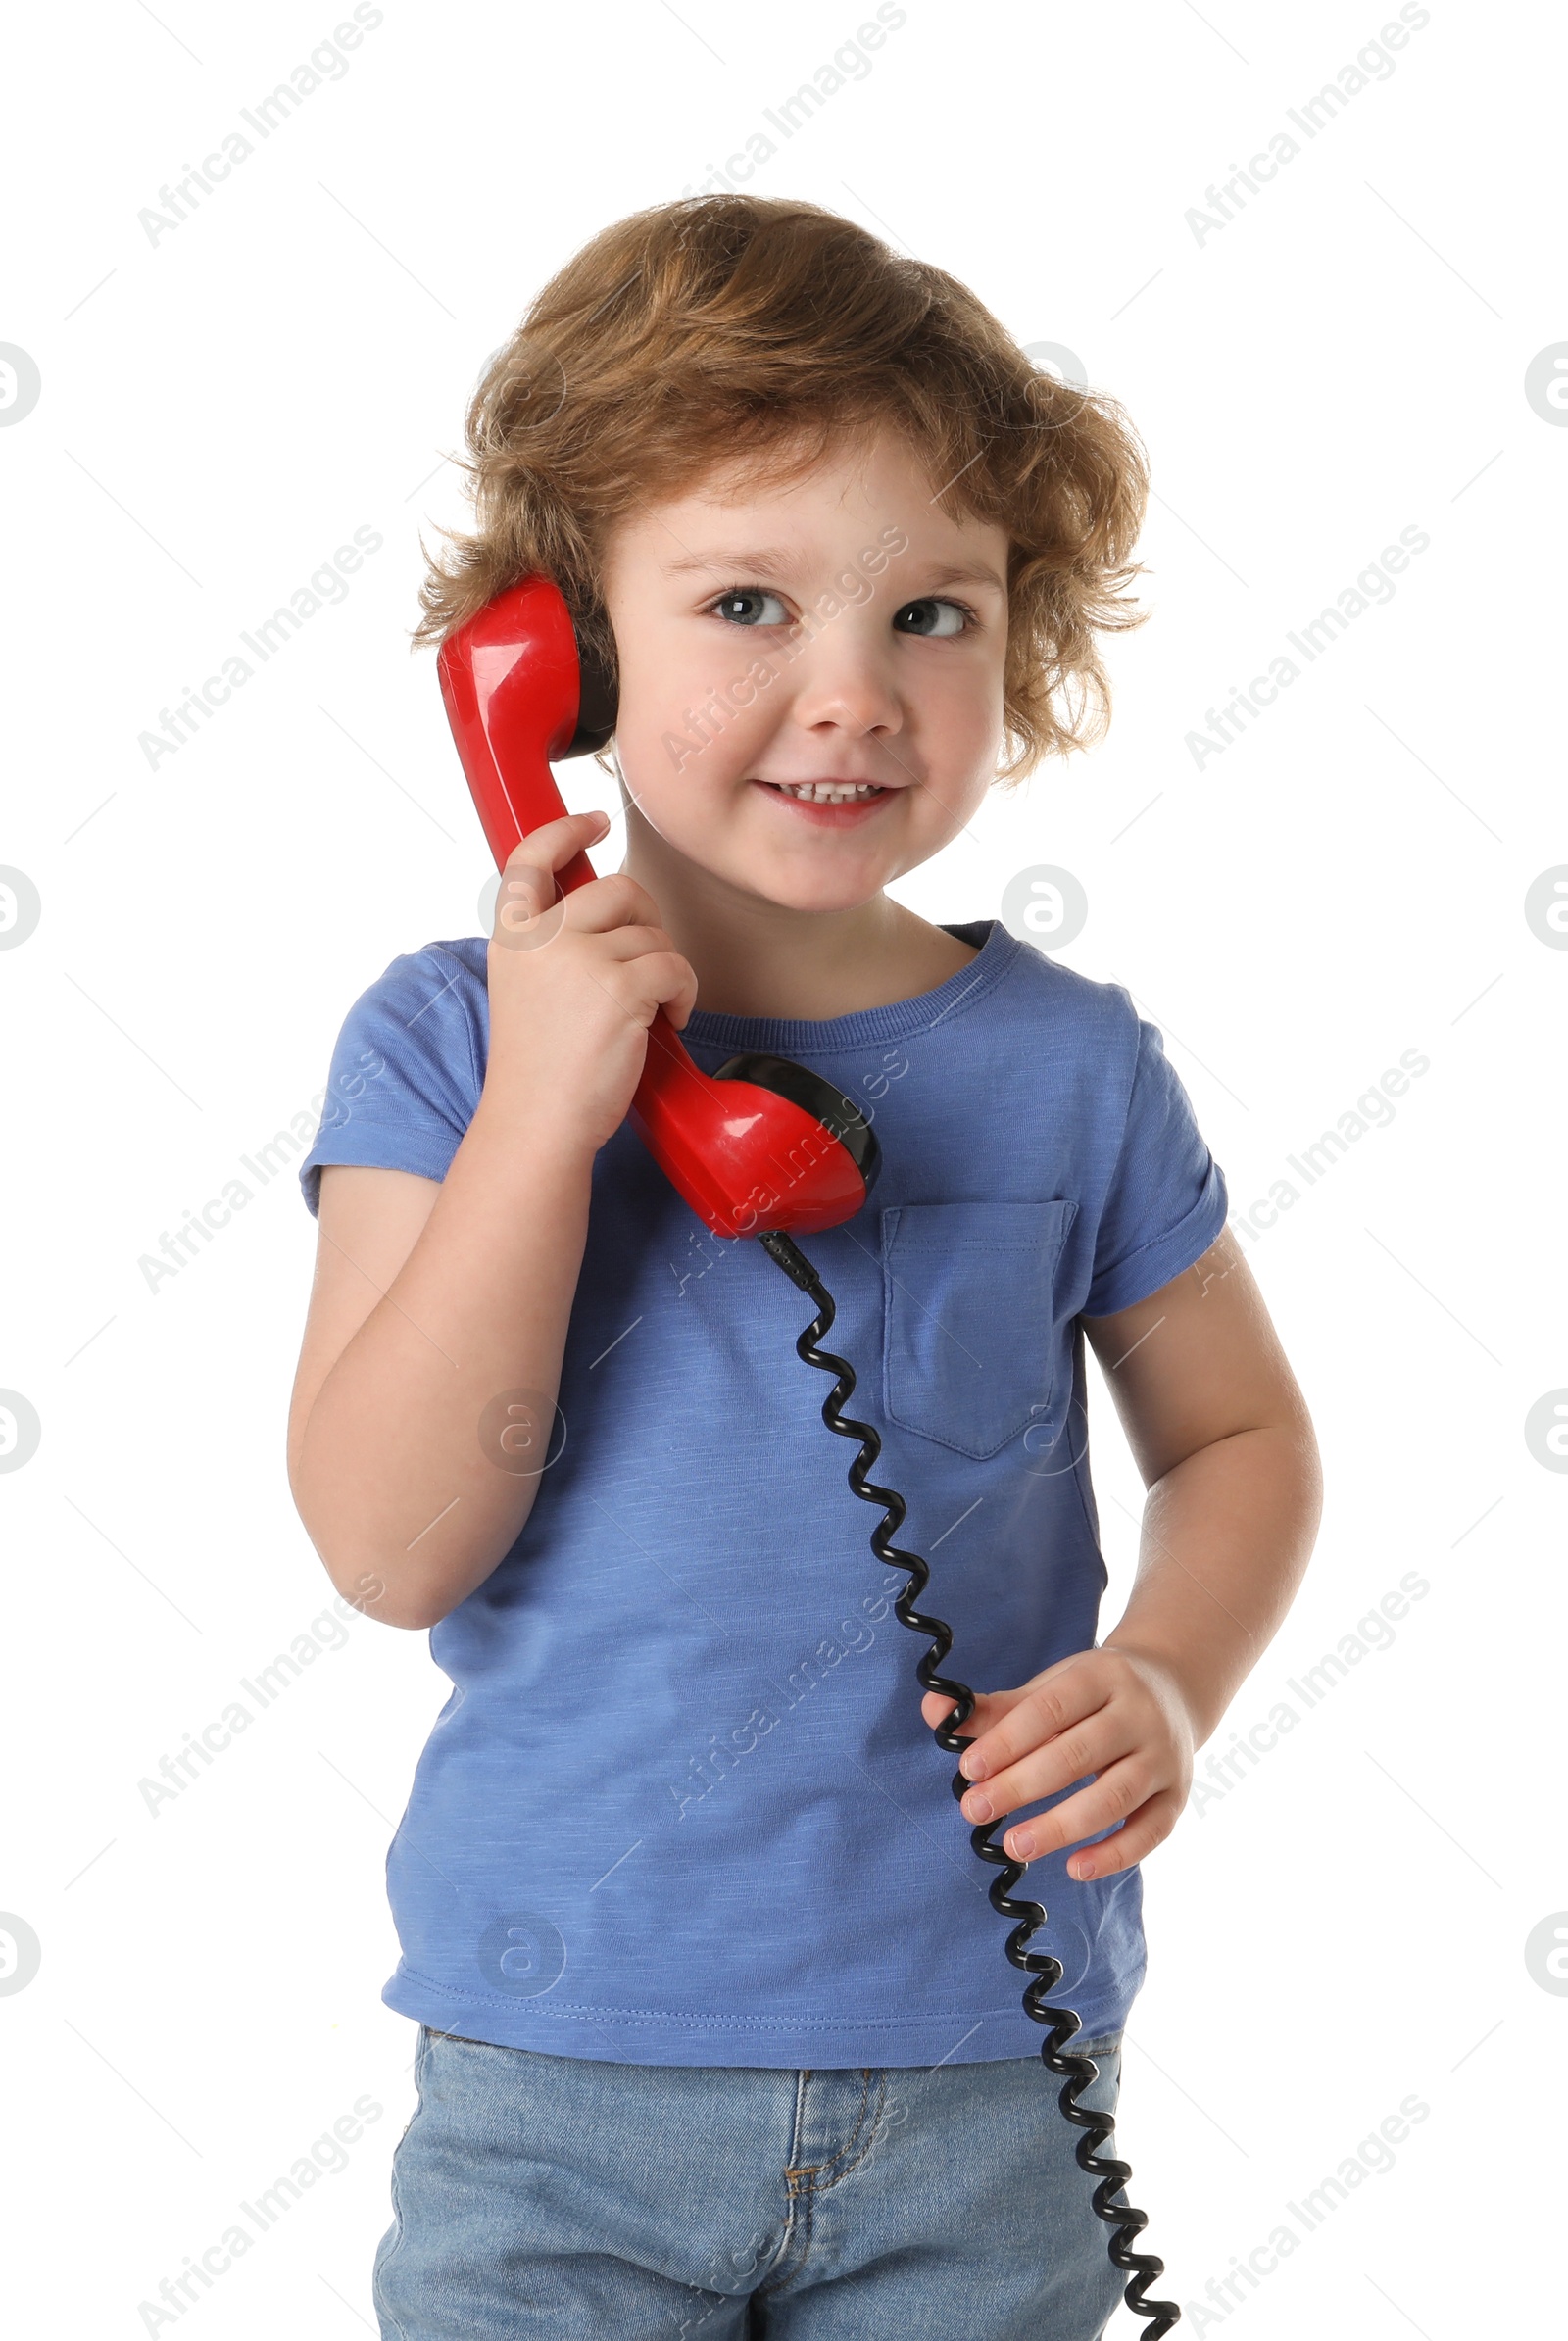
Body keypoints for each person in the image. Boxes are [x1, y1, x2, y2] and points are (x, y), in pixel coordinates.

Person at [287, 192, 1323, 2340]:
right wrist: (544, 1119)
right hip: (558, 2085)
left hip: (987, 2083)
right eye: (746, 601)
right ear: (552, 660)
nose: (848, 696)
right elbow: (391, 1544)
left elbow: (1234, 1433)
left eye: (930, 613)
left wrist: (1166, 1675)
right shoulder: (441, 1046)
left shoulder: (1063, 1065)